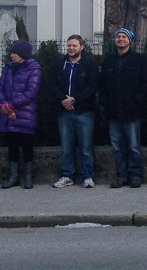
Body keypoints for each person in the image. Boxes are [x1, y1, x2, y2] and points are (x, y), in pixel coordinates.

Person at [99, 28, 147, 188]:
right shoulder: (108, 60)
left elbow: (145, 83)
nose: (121, 39)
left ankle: (135, 176)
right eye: (118, 37)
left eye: (124, 37)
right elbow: (102, 84)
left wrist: (136, 101)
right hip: (113, 111)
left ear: (130, 40)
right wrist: (105, 101)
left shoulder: (139, 60)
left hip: (132, 111)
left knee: (134, 146)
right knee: (117, 147)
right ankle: (121, 176)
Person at [50, 35, 99, 189]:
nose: (71, 48)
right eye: (69, 45)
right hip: (64, 111)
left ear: (81, 47)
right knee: (66, 147)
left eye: (74, 46)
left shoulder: (89, 64)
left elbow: (92, 86)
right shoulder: (59, 64)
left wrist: (75, 100)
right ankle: (67, 175)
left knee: (86, 147)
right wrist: (64, 100)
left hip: (84, 111)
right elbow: (51, 85)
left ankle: (87, 176)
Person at [0, 41, 41, 189]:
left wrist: (12, 104)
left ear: (22, 55)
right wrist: (3, 104)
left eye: (14, 53)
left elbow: (31, 92)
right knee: (12, 146)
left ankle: (28, 177)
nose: (11, 55)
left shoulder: (34, 69)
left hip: (25, 114)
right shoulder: (8, 68)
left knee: (27, 146)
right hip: (8, 114)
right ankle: (13, 176)